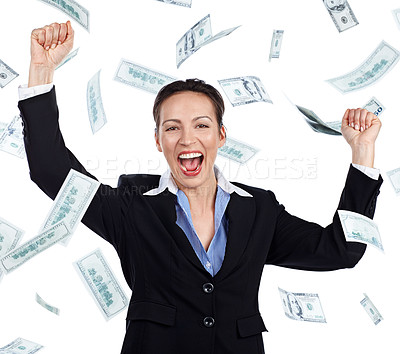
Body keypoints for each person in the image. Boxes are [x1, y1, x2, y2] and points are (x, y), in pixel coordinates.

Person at [18, 21, 383, 354]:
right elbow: (52, 171)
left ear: (221, 136)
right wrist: (42, 69)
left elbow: (340, 251)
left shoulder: (259, 209)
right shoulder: (131, 206)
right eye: (172, 127)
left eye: (202, 125)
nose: (186, 138)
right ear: (158, 140)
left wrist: (362, 153)